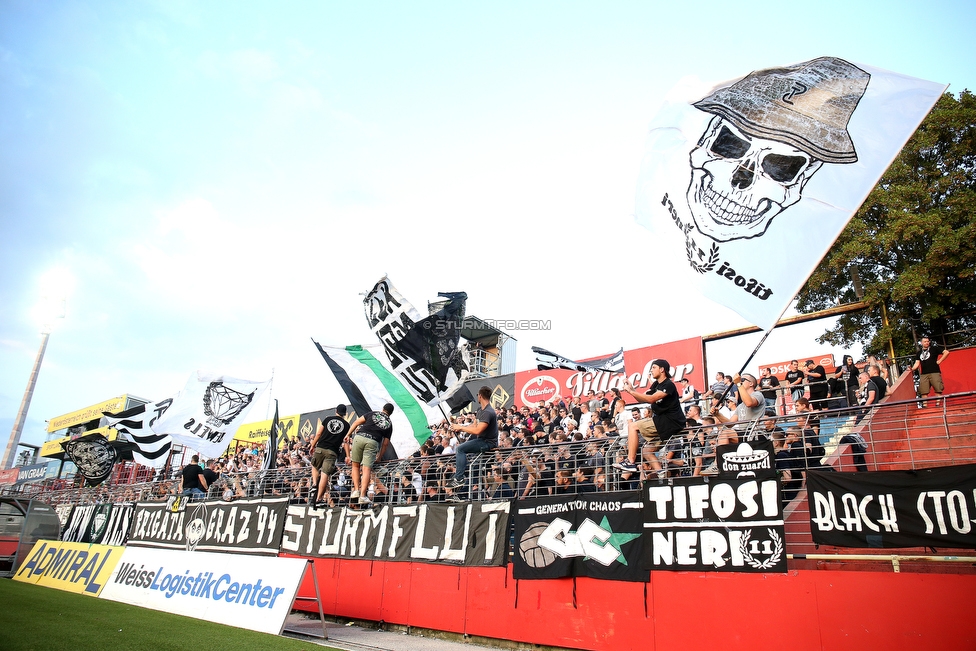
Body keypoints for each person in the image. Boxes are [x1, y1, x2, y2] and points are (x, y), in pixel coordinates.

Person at [614, 359, 686, 474]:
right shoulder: (656, 385)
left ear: (662, 369)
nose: (651, 370)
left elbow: (652, 399)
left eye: (653, 367)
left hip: (670, 421)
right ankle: (661, 474)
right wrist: (631, 389)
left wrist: (631, 392)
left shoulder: (669, 384)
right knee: (647, 450)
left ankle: (630, 462)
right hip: (663, 422)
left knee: (632, 426)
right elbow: (643, 398)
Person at [449, 386, 499, 495]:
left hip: (487, 442)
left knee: (460, 449)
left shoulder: (488, 412)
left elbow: (477, 430)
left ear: (480, 396)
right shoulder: (481, 410)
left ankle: (458, 478)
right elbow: (474, 425)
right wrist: (459, 426)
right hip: (483, 441)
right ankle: (462, 494)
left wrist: (460, 427)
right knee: (474, 470)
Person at [347, 403, 395, 505]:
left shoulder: (372, 413)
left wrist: (348, 434)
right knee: (366, 469)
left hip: (359, 436)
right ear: (390, 413)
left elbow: (356, 422)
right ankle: (363, 496)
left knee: (355, 465)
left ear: (383, 408)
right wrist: (379, 457)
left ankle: (356, 490)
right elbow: (385, 444)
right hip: (372, 441)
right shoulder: (389, 424)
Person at [310, 404, 350, 509]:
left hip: (321, 447)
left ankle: (314, 484)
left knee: (314, 465)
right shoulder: (346, 425)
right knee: (325, 475)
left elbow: (318, 434)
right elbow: (346, 442)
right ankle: (319, 498)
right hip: (333, 451)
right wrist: (348, 455)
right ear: (344, 414)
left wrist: (312, 445)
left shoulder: (328, 419)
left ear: (336, 411)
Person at [912, 335, 950, 406]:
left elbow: (946, 352)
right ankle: (925, 405)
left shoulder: (934, 349)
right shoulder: (919, 353)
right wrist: (911, 369)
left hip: (934, 372)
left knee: (938, 388)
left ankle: (938, 404)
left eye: (928, 341)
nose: (927, 343)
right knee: (923, 390)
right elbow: (917, 363)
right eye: (925, 341)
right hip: (924, 374)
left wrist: (940, 361)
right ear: (921, 343)